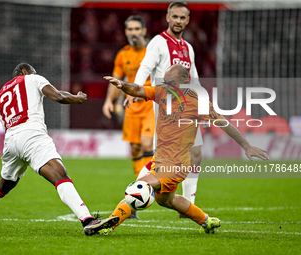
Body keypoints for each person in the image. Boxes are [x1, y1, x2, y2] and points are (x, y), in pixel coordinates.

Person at [84, 63, 269, 235]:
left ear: (185, 82)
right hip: (160, 159)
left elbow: (224, 123)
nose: (167, 85)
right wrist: (122, 85)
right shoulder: (163, 92)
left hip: (176, 164)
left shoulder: (198, 102)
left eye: (172, 82)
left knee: (139, 187)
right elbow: (139, 89)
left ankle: (108, 226)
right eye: (165, 82)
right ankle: (207, 221)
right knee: (167, 200)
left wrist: (246, 145)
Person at [0, 63, 119, 235]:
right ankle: (88, 220)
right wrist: (77, 98)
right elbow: (58, 96)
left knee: (2, 186)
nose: (35, 74)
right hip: (32, 135)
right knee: (60, 175)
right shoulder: (33, 78)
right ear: (25, 72)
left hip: (10, 143)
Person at [127, 2, 203, 209]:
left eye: (182, 17)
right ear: (167, 17)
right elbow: (145, 66)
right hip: (167, 112)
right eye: (175, 16)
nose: (178, 21)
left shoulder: (188, 48)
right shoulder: (158, 42)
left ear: (187, 20)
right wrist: (135, 89)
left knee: (195, 153)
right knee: (160, 159)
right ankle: (131, 195)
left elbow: (194, 80)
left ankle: (189, 205)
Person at [102, 16, 155, 179]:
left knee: (147, 143)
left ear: (144, 31)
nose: (134, 33)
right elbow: (116, 80)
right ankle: (140, 184)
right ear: (126, 32)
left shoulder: (153, 52)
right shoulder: (122, 55)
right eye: (130, 29)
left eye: (137, 29)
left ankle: (149, 182)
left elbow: (164, 80)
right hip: (130, 106)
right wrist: (108, 101)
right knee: (135, 148)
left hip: (151, 105)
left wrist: (145, 93)